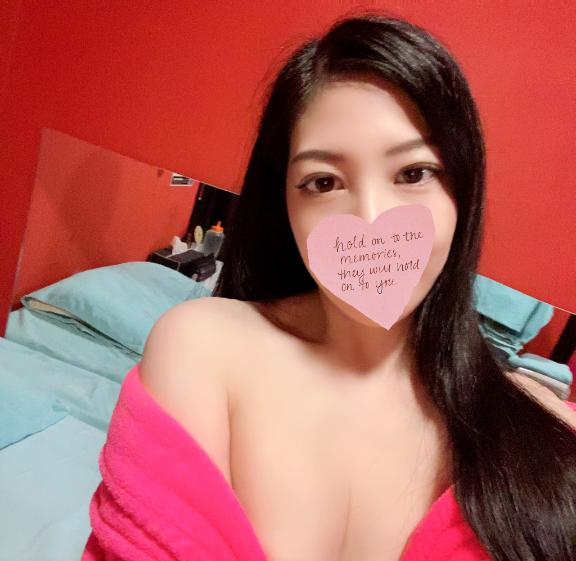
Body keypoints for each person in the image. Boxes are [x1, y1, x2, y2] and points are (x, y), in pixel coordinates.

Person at [139, 11, 576, 561]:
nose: (371, 220)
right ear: (284, 205)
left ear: (462, 193)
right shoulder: (203, 347)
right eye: (324, 182)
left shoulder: (543, 435)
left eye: (413, 174)